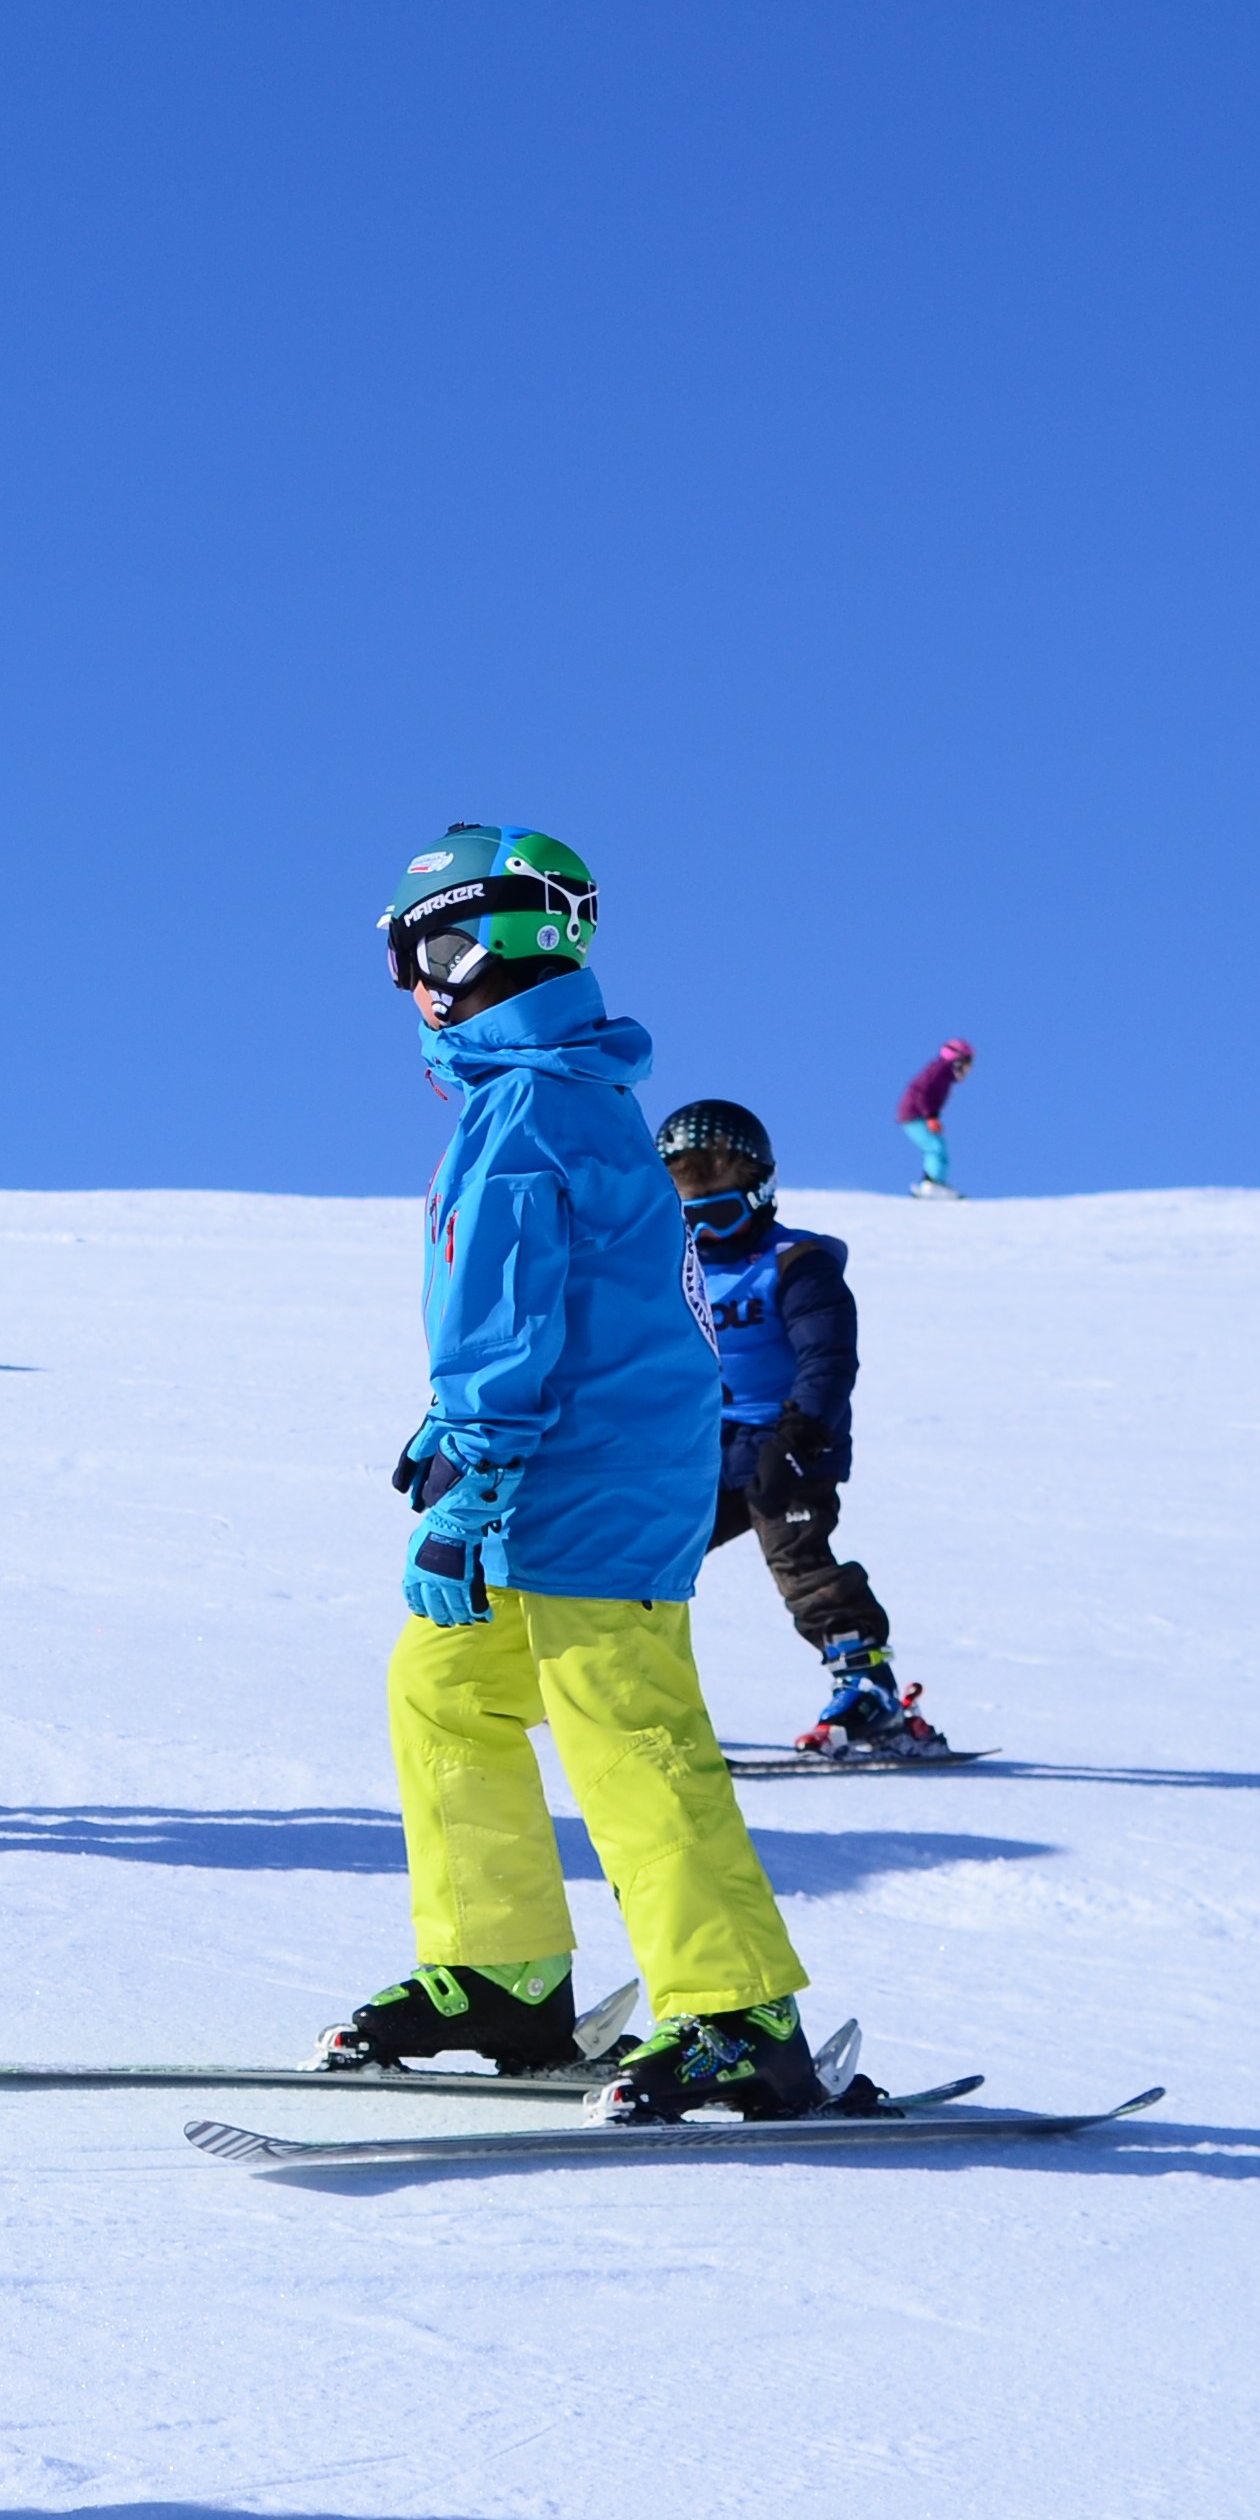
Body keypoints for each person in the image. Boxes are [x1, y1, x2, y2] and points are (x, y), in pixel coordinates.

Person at [331, 822, 830, 2121]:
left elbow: (505, 1318)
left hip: (584, 1480)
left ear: (469, 945)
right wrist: (456, 1448)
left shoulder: (533, 1108)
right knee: (442, 1688)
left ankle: (734, 2013)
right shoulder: (551, 1093)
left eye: (416, 956)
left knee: (624, 1726)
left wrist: (476, 1471)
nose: (411, 990)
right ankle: (497, 1971)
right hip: (576, 1465)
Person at [657, 1099, 945, 1759]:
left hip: (789, 1444)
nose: (706, 1234)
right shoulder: (677, 1272)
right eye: (689, 1218)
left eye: (721, 1213)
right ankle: (625, 1688)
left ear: (759, 1194)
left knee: (798, 1557)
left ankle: (866, 1684)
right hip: (708, 1447)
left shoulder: (795, 1264)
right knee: (649, 1553)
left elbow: (827, 1357)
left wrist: (801, 1433)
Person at [897, 1037, 975, 1197]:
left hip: (919, 1114)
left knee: (938, 1146)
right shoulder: (940, 1070)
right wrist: (930, 1116)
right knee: (935, 1146)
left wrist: (933, 1116)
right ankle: (933, 1183)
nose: (968, 1069)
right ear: (957, 1060)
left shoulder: (943, 1074)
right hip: (914, 1114)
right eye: (967, 1063)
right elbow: (921, 1091)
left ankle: (932, 1182)